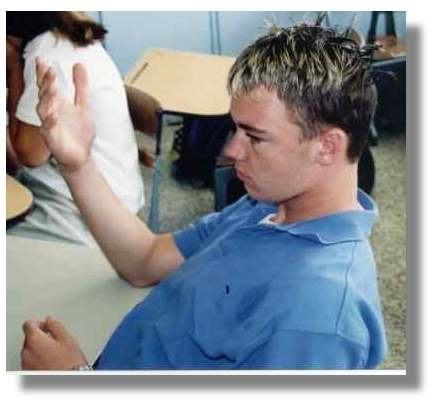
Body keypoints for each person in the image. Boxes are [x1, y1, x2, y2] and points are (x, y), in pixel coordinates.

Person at [21, 23, 388, 370]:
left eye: (255, 137)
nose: (231, 150)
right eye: (236, 129)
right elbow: (145, 261)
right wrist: (78, 164)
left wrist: (73, 377)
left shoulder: (317, 319)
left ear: (327, 147)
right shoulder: (268, 206)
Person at [6, 11, 159, 245]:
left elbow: (27, 156)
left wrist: (13, 67)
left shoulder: (48, 54)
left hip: (83, 214)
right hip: (104, 194)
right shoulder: (65, 36)